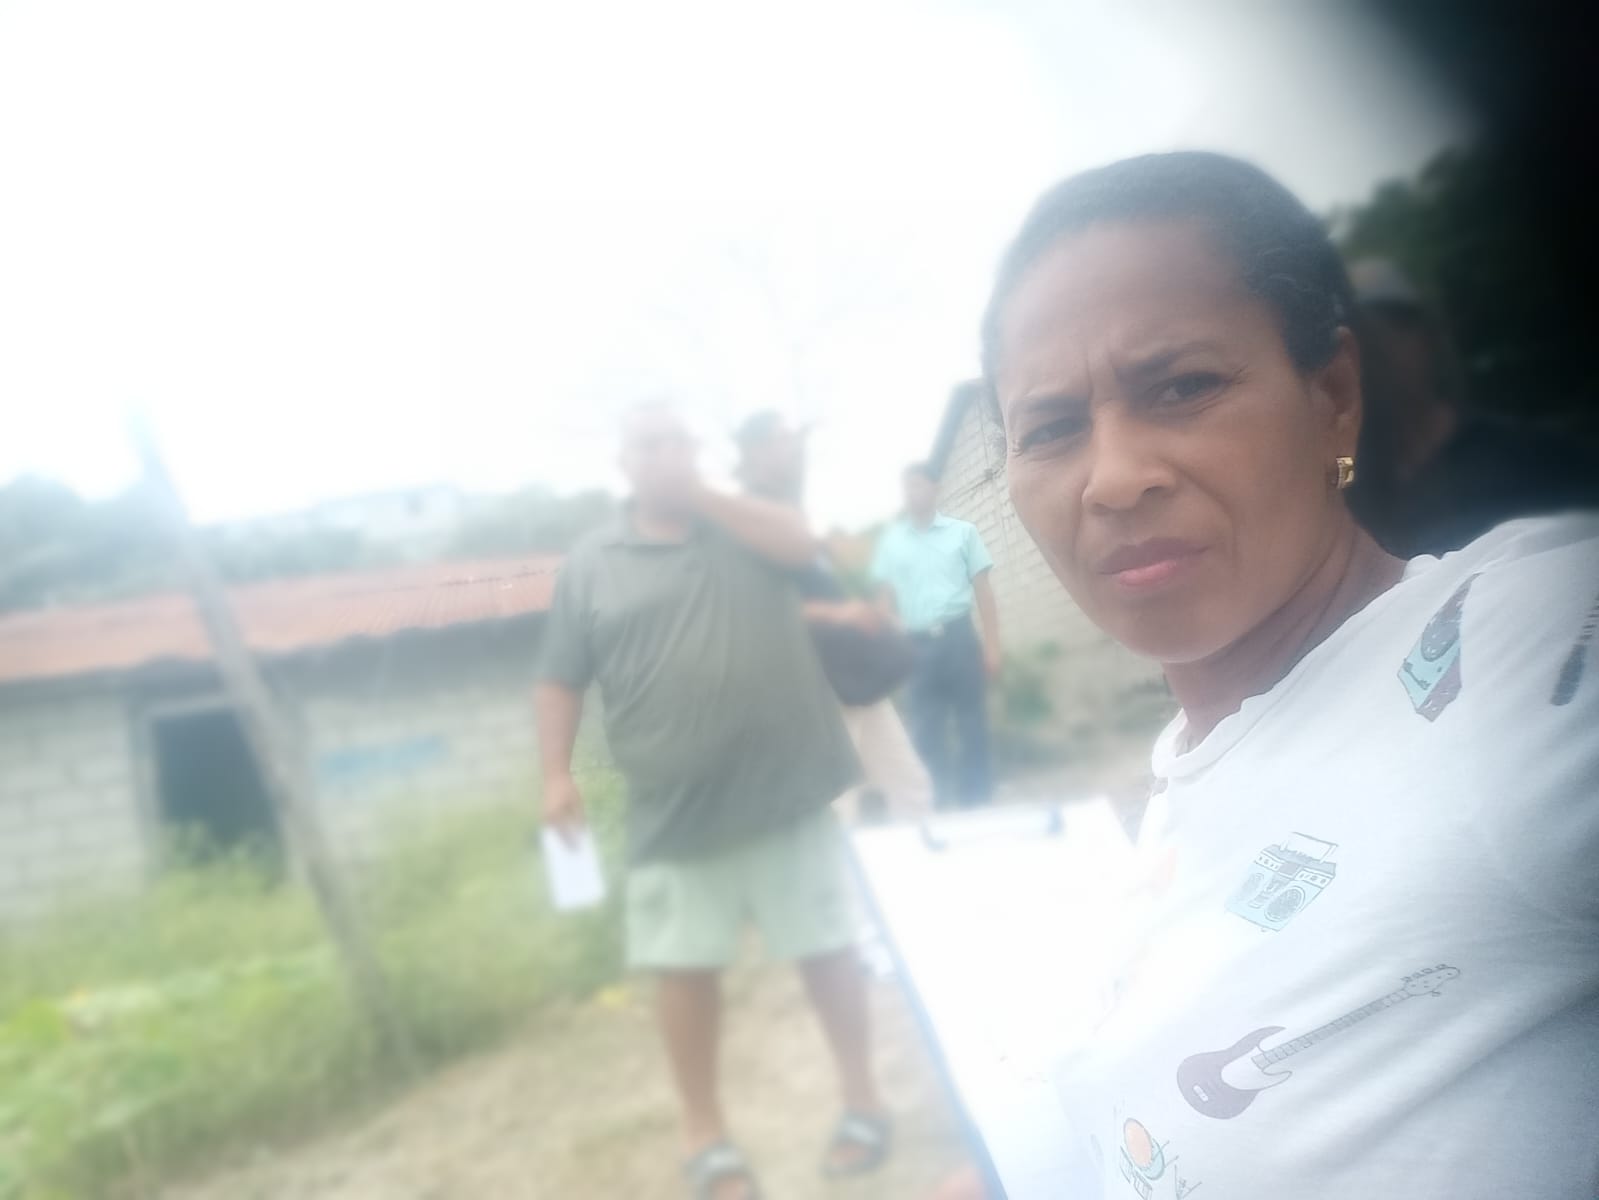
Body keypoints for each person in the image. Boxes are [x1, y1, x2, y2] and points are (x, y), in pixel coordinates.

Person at [977, 152, 1599, 1196]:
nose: (1114, 478)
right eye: (1050, 428)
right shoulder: (1192, 766)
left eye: (1183, 386)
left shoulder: (1517, 651)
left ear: (1334, 397)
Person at [535, 404, 891, 1200]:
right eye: (648, 445)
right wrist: (554, 775)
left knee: (825, 946)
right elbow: (558, 676)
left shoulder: (745, 526)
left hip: (785, 789)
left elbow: (801, 546)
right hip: (674, 808)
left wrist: (699, 493)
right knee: (683, 970)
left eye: (677, 442)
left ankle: (863, 1101)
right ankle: (705, 1136)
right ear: (623, 463)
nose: (664, 455)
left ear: (695, 452)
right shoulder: (590, 563)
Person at [733, 409, 933, 823]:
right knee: (840, 806)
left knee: (911, 789)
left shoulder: (786, 512)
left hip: (853, 676)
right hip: (817, 686)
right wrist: (842, 614)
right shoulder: (749, 518)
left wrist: (858, 604)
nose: (792, 448)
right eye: (782, 439)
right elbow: (755, 608)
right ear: (755, 451)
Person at [1347, 256, 1599, 558]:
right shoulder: (1349, 498)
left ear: (1430, 335)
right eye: (1364, 334)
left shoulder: (1536, 460)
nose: (1381, 347)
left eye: (1396, 323)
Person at [871, 464, 1001, 808]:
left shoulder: (963, 533)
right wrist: (895, 637)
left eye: (918, 485)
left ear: (935, 487)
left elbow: (984, 592)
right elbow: (883, 602)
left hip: (959, 639)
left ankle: (977, 804)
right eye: (907, 486)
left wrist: (992, 648)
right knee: (926, 733)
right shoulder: (892, 543)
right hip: (916, 647)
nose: (912, 492)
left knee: (972, 725)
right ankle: (937, 808)